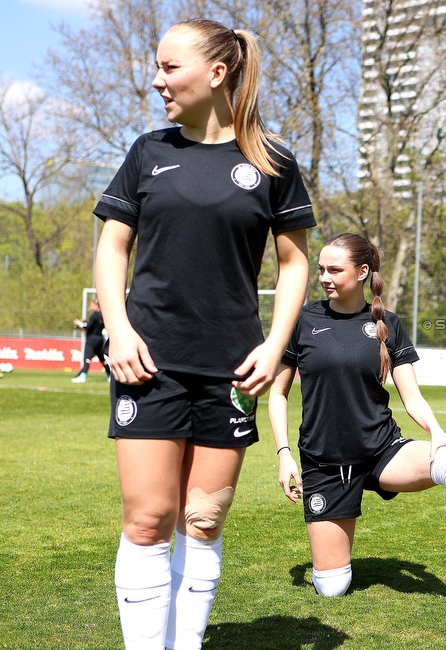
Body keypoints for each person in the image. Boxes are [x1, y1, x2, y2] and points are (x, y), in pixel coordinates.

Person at [93, 19, 315, 650]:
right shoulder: (148, 152)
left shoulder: (271, 161)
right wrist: (120, 330)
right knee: (147, 518)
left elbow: (296, 262)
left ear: (216, 74)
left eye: (170, 67)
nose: (157, 80)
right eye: (158, 68)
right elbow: (113, 247)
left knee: (203, 519)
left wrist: (275, 346)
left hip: (233, 370)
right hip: (149, 361)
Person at [268, 233, 446, 631]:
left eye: (334, 270)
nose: (324, 277)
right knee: (332, 588)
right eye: (321, 269)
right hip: (326, 465)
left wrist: (438, 432)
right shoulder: (303, 319)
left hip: (382, 451)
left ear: (362, 272)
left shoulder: (387, 324)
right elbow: (277, 393)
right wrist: (284, 453)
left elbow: (411, 396)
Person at [72, 298, 111, 383]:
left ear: (96, 305)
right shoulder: (103, 315)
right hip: (100, 340)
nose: (90, 307)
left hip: (91, 340)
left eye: (92, 305)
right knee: (102, 359)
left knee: (87, 358)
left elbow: (89, 327)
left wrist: (81, 326)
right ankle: (110, 375)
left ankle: (83, 376)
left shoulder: (94, 315)